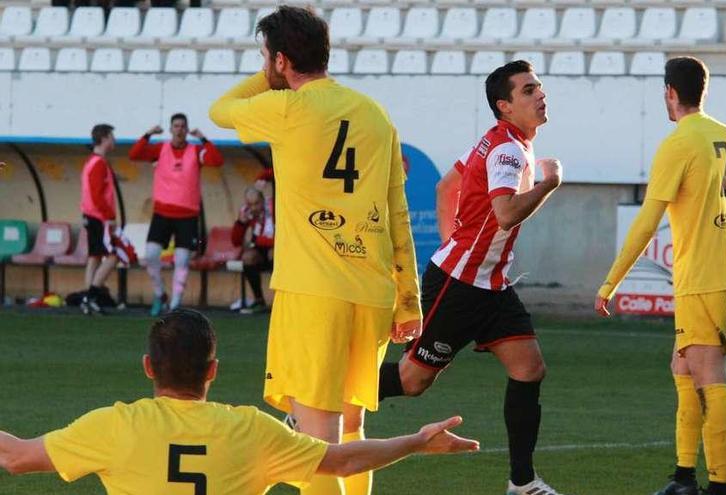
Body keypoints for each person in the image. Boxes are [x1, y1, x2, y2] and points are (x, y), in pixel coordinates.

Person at [208, 6, 421, 495]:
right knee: (353, 428)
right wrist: (409, 298)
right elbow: (397, 212)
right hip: (371, 291)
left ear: (281, 60)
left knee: (315, 438)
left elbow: (221, 109)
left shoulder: (286, 109)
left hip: (312, 293)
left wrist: (267, 76)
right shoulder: (375, 114)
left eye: (268, 57)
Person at [0, 310, 479, 494]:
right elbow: (345, 460)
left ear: (149, 367)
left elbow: (16, 457)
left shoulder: (114, 426)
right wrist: (416, 441)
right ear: (213, 370)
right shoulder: (251, 429)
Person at [377, 60, 566, 495]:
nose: (540, 94)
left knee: (529, 368)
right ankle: (318, 399)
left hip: (491, 285)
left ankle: (522, 484)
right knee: (412, 382)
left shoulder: (500, 141)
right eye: (528, 90)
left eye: (539, 87)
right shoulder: (508, 150)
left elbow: (447, 188)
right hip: (462, 287)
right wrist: (549, 184)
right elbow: (505, 214)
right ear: (504, 105)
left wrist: (457, 246)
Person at [594, 57, 726, 495]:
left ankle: (720, 486)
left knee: (707, 374)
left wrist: (611, 281)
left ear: (669, 92)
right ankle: (683, 478)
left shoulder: (680, 142)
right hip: (722, 270)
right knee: (683, 367)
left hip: (703, 276)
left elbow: (648, 221)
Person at [129, 113, 224, 316]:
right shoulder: (160, 149)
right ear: (171, 129)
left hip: (188, 215)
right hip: (162, 213)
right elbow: (135, 154)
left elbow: (217, 160)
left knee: (181, 260)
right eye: (176, 126)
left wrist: (204, 139)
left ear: (187, 129)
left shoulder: (196, 151)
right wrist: (148, 134)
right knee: (151, 256)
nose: (179, 129)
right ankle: (159, 293)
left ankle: (175, 304)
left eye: (183, 126)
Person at [79, 123, 119, 315]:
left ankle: (88, 300)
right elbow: (97, 194)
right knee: (114, 256)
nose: (114, 140)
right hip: (98, 217)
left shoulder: (91, 161)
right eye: (112, 136)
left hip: (90, 215)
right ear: (104, 138)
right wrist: (109, 217)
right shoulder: (99, 163)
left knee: (95, 256)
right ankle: (92, 295)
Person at [231, 186, 274, 313]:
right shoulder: (247, 212)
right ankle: (259, 300)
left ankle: (280, 301)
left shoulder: (274, 209)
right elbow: (236, 242)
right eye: (250, 204)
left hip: (280, 249)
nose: (254, 207)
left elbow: (279, 238)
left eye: (256, 203)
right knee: (248, 257)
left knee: (274, 253)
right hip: (261, 250)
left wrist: (257, 240)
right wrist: (240, 223)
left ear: (262, 200)